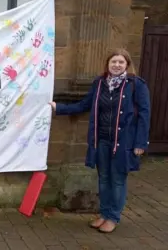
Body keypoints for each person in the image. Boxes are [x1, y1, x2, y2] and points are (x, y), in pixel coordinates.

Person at [49, 48, 151, 233]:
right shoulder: (99, 83)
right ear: (108, 64)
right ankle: (104, 214)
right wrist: (60, 108)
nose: (117, 65)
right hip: (102, 140)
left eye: (121, 62)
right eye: (114, 62)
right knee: (104, 179)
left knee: (118, 180)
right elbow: (84, 105)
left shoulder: (136, 85)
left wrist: (140, 143)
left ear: (127, 65)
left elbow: (144, 114)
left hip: (124, 143)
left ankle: (113, 217)